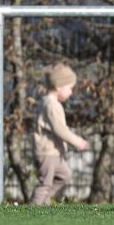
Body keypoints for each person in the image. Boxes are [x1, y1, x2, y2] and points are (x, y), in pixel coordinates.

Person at [30, 63, 89, 205]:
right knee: (45, 183)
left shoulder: (52, 103)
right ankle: (33, 209)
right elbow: (59, 129)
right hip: (47, 153)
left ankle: (44, 202)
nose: (71, 92)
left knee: (65, 175)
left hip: (55, 153)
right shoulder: (51, 105)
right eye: (70, 88)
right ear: (58, 87)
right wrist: (77, 141)